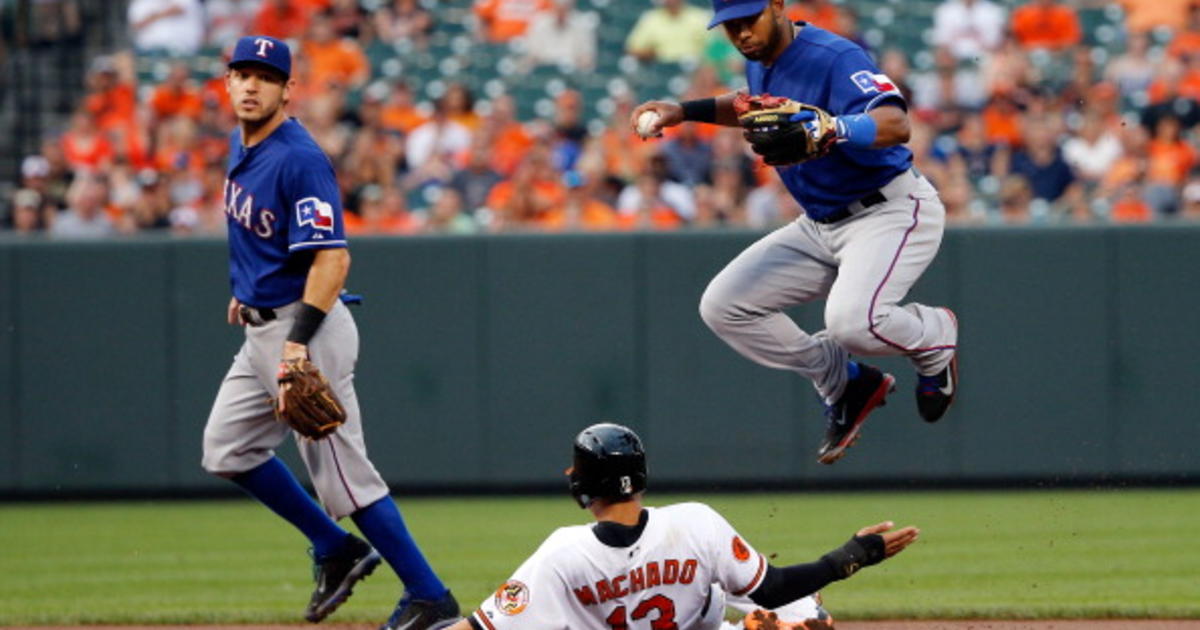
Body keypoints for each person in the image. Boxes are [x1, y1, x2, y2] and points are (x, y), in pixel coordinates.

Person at [200, 35, 459, 630]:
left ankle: (429, 595)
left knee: (345, 479)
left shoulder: (299, 157)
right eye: (241, 73)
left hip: (305, 334)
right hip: (265, 329)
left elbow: (333, 259)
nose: (250, 84)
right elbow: (268, 238)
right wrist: (249, 291)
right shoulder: (245, 146)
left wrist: (296, 343)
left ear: (288, 89)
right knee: (227, 449)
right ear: (228, 82)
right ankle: (335, 547)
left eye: (265, 76)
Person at [630, 0, 960, 465]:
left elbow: (896, 122)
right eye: (732, 26)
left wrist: (833, 126)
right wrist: (683, 110)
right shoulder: (761, 61)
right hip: (819, 224)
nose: (742, 33)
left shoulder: (833, 56)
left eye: (751, 20)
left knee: (852, 323)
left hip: (888, 210)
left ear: (778, 7)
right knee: (725, 306)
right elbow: (749, 107)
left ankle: (934, 338)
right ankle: (844, 381)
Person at [442, 422, 920, 630]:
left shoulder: (561, 551)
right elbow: (772, 588)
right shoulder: (695, 521)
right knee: (802, 610)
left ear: (586, 484)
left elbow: (477, 627)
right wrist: (851, 555)